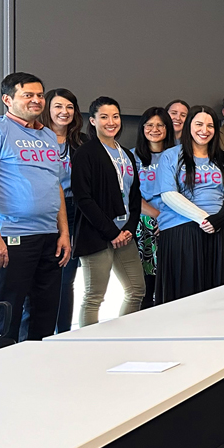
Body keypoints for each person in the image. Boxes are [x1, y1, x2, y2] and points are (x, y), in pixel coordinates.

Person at [0, 73, 72, 342]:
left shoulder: (48, 136)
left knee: (44, 314)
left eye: (40, 95)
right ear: (7, 99)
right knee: (6, 315)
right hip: (8, 236)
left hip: (48, 237)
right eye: (28, 95)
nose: (37, 100)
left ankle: (36, 375)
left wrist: (63, 233)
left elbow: (55, 185)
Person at [155, 105, 224, 302]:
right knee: (187, 296)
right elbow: (168, 194)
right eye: (199, 124)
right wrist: (204, 219)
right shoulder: (170, 156)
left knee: (222, 297)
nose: (204, 130)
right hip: (183, 228)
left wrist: (217, 220)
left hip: (223, 228)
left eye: (210, 125)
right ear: (189, 126)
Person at [71, 97, 144, 326]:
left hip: (126, 235)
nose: (111, 122)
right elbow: (84, 198)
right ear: (92, 121)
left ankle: (123, 338)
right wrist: (112, 232)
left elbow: (133, 195)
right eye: (104, 117)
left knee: (136, 290)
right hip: (98, 235)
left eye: (115, 116)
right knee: (94, 297)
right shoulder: (85, 153)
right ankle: (89, 350)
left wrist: (130, 228)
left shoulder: (127, 154)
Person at [39, 88, 86, 334]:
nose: (64, 112)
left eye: (69, 107)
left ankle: (64, 333)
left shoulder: (82, 142)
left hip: (75, 210)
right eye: (58, 106)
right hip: (44, 210)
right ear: (48, 109)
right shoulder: (34, 138)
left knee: (66, 278)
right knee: (43, 277)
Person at [134, 107, 175, 307]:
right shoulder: (131, 157)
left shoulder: (178, 156)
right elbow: (130, 195)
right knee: (144, 286)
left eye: (160, 125)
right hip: (142, 225)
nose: (155, 129)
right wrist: (158, 216)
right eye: (149, 125)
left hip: (174, 222)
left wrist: (167, 218)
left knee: (171, 282)